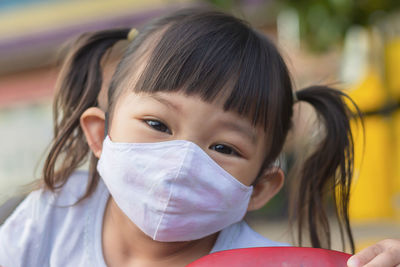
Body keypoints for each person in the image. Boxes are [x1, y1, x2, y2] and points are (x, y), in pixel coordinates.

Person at [0, 8, 399, 267]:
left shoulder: (265, 263)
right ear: (100, 134)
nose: (182, 161)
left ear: (260, 187)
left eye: (224, 147)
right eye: (158, 125)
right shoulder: (51, 216)